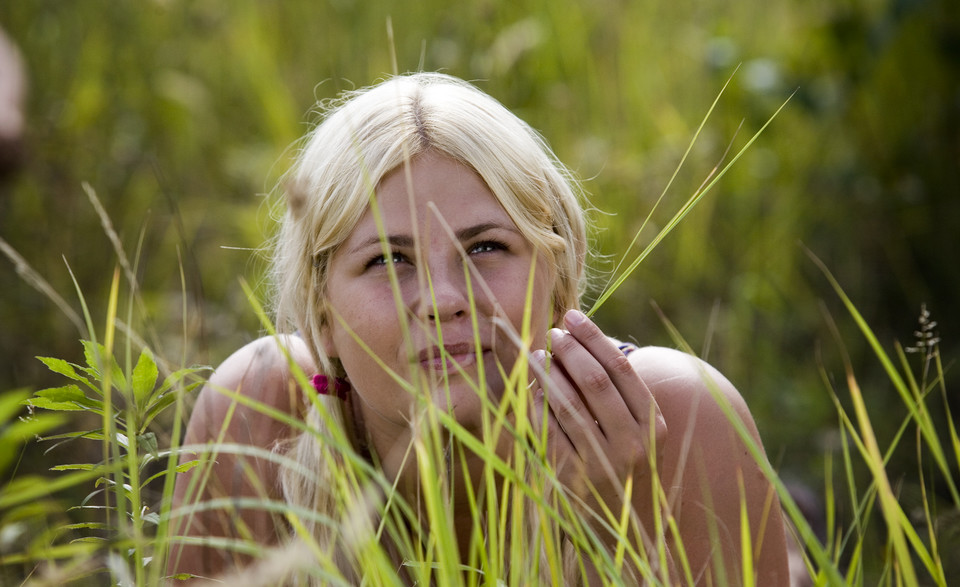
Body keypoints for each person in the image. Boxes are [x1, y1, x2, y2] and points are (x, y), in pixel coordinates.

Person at [168, 72, 790, 585]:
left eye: (487, 247)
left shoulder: (677, 421)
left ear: (558, 278)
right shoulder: (257, 412)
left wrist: (610, 539)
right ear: (321, 315)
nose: (442, 300)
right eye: (388, 259)